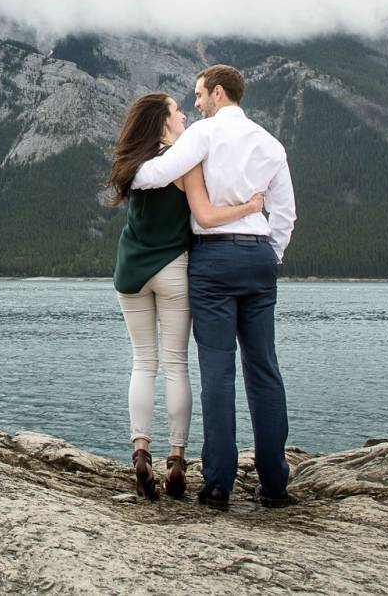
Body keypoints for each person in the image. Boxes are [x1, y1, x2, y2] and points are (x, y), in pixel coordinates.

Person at [130, 64, 297, 510]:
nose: (197, 103)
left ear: (219, 93)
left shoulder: (203, 135)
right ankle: (275, 484)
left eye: (200, 95)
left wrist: (129, 172)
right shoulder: (271, 144)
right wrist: (270, 256)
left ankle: (219, 484)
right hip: (259, 257)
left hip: (214, 259)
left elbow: (159, 174)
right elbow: (285, 215)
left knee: (218, 373)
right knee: (264, 369)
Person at [108, 91, 265, 501]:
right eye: (177, 111)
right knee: (176, 365)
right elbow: (205, 215)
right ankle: (176, 460)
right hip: (174, 269)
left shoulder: (132, 162)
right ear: (163, 121)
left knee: (144, 362)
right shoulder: (184, 162)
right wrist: (249, 206)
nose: (184, 115)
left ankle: (140, 451)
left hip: (131, 270)